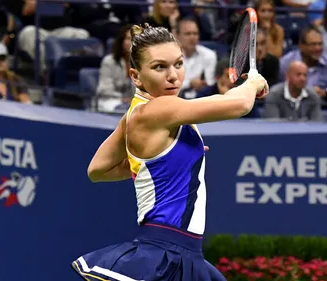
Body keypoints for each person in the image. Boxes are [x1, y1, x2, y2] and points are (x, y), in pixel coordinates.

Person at [70, 24, 268, 281]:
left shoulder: (135, 113)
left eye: (178, 64)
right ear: (136, 76)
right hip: (163, 257)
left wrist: (172, 162)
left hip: (184, 254)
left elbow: (97, 170)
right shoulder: (160, 109)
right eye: (159, 67)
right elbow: (239, 104)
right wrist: (252, 84)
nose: (173, 76)